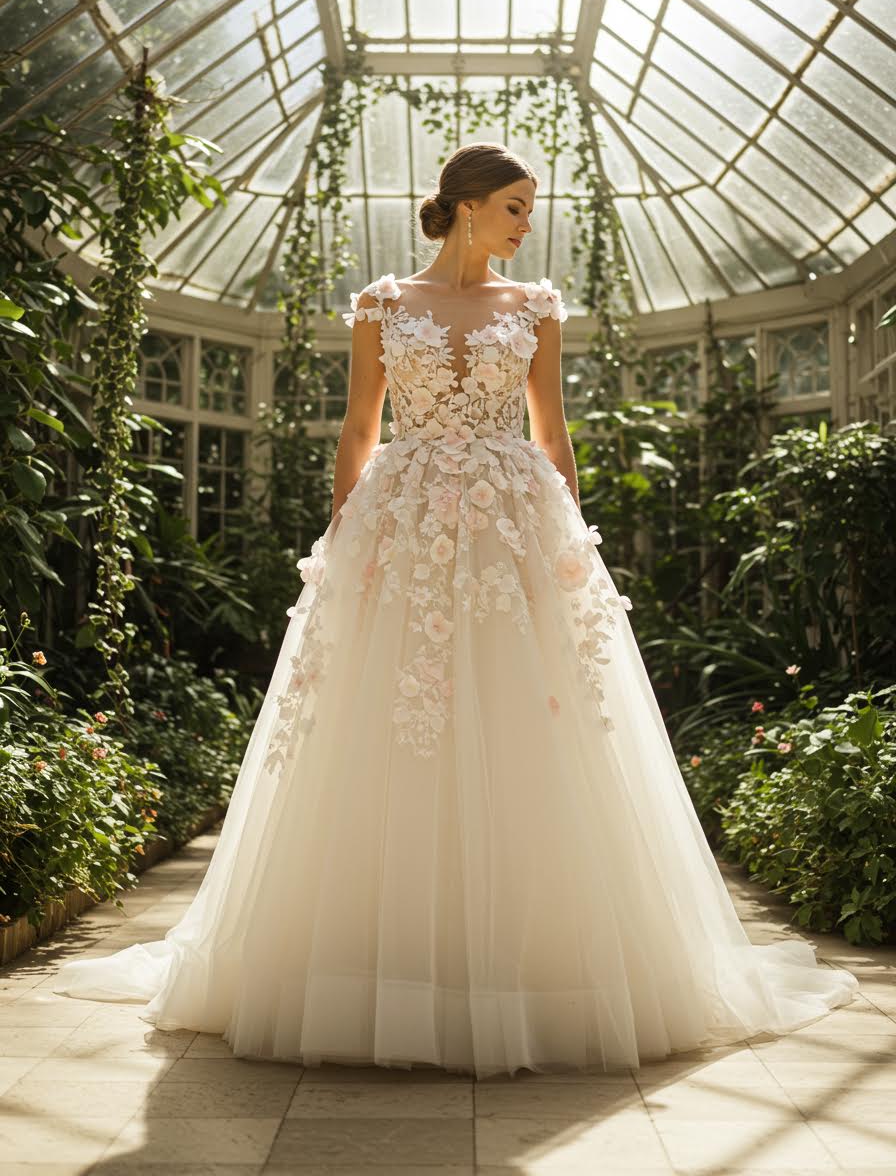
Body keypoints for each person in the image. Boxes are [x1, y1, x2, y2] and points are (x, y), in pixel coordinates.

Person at [52, 141, 859, 1079]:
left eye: (531, 208)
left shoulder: (537, 308)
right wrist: (342, 550)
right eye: (516, 206)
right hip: (402, 530)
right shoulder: (382, 306)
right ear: (467, 207)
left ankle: (530, 964)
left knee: (529, 722)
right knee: (394, 728)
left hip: (515, 531)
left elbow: (552, 434)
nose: (528, 223)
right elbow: (360, 430)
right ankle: (381, 963)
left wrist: (573, 553)